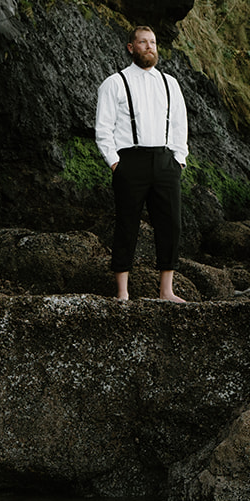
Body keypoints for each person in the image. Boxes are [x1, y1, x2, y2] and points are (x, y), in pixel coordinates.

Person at [94, 25, 189, 301]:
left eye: (153, 43)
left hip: (164, 160)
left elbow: (180, 125)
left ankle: (166, 290)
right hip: (130, 161)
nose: (150, 47)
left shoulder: (170, 83)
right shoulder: (114, 83)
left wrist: (178, 160)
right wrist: (115, 163)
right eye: (143, 42)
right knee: (127, 224)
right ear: (131, 48)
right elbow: (103, 129)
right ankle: (122, 292)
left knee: (171, 223)